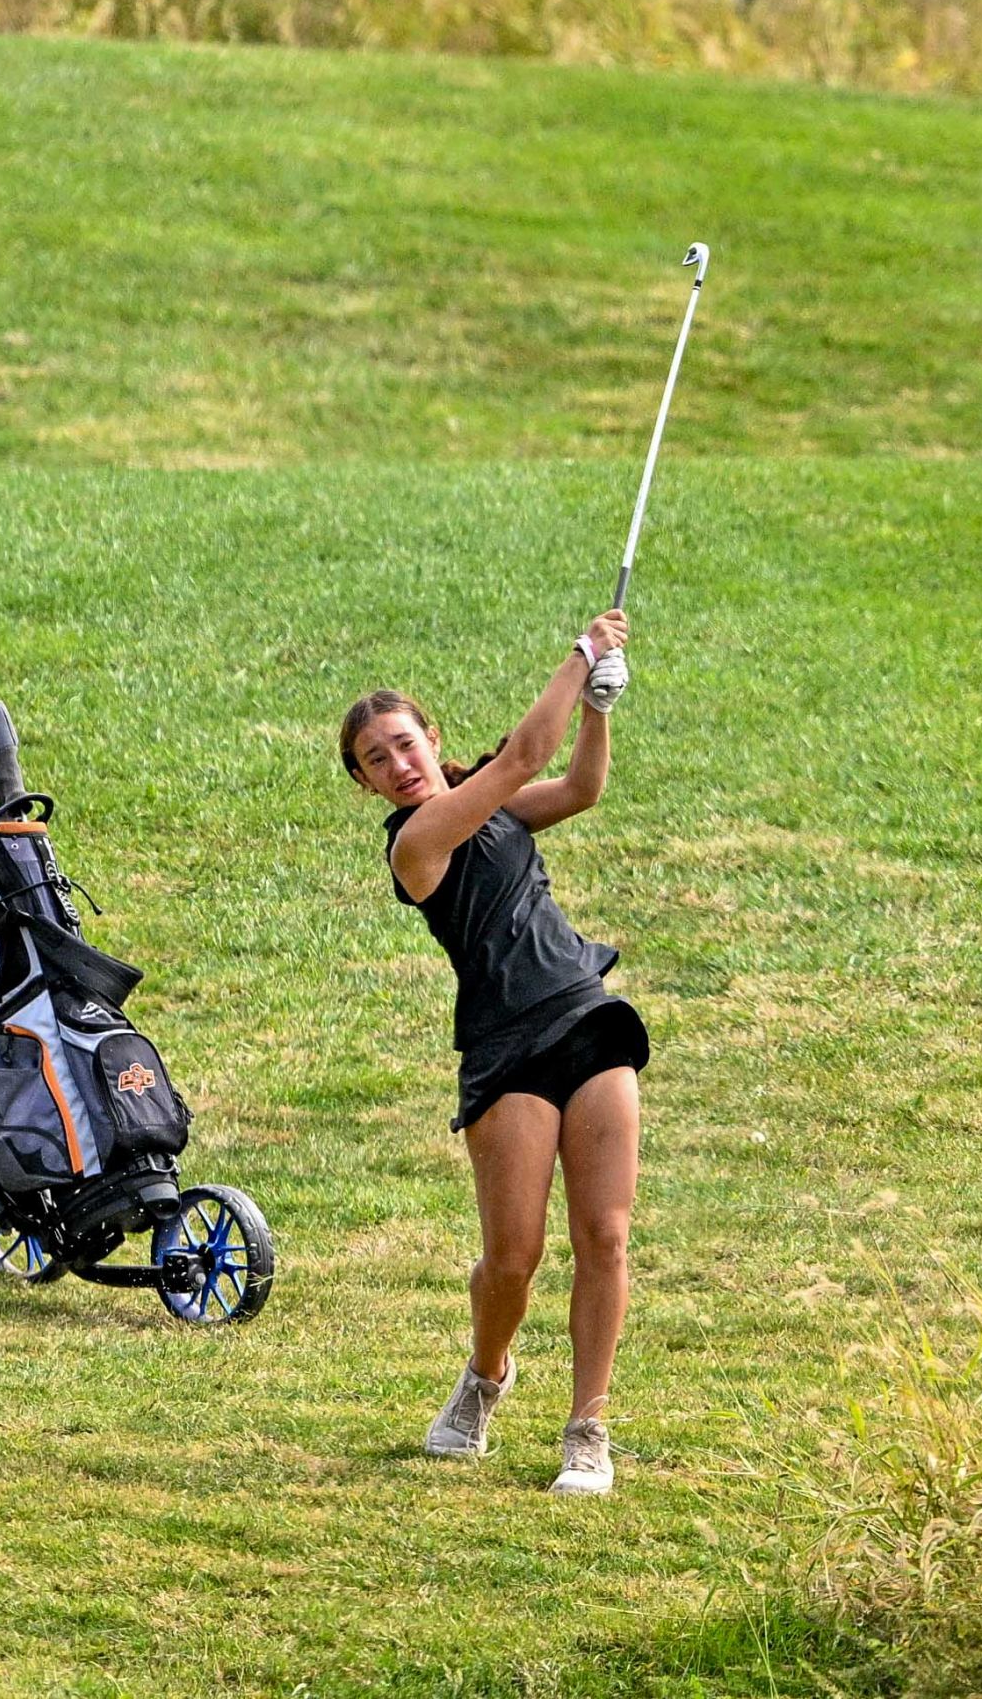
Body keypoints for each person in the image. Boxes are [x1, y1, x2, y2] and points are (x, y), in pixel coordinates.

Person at [339, 610, 645, 1496]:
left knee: (605, 1236)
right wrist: (582, 653)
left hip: (586, 1016)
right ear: (365, 783)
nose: (399, 764)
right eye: (377, 760)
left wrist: (597, 709)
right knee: (513, 1260)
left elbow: (578, 789)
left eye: (405, 744)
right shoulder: (416, 844)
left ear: (432, 738)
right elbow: (523, 757)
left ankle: (588, 1429)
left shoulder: (494, 803)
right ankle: (485, 1375)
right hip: (506, 1048)